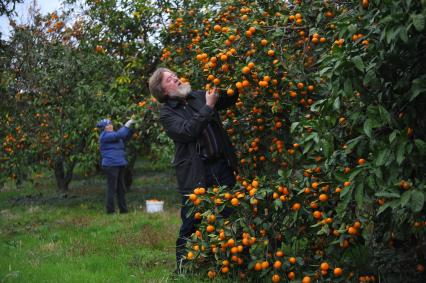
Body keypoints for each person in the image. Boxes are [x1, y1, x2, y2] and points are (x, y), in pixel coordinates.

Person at [148, 67, 239, 270]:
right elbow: (187, 131)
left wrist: (230, 72)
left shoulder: (197, 96)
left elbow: (228, 98)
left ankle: (238, 263)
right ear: (163, 91)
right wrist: (208, 106)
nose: (177, 78)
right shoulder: (167, 113)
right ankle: (182, 270)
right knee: (191, 223)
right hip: (195, 174)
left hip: (221, 166)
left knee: (232, 215)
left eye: (175, 75)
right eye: (170, 79)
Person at [97, 118, 134, 214]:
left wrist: (131, 129)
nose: (110, 126)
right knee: (112, 188)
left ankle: (123, 210)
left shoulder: (114, 135)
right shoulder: (105, 136)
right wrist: (126, 125)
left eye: (110, 124)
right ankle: (110, 211)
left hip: (120, 163)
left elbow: (124, 136)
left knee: (121, 187)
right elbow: (120, 134)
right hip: (111, 164)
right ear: (103, 128)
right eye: (107, 125)